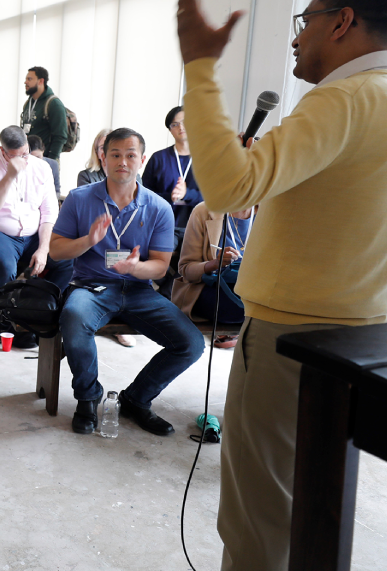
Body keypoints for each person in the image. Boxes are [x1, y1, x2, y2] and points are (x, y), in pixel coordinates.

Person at [129, 0, 387, 571]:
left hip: (287, 337)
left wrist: (199, 67)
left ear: (342, 21)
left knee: (256, 519)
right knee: (305, 513)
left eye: (305, 21)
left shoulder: (341, 102)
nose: (297, 39)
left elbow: (227, 185)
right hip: (356, 338)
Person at [49, 127, 205, 437]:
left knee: (191, 344)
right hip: (91, 286)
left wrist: (135, 268)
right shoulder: (79, 199)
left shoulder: (159, 207)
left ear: (142, 160)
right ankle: (88, 397)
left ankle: (136, 399)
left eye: (130, 155)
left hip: (138, 289)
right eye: (116, 155)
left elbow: (160, 267)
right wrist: (88, 240)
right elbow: (56, 250)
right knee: (73, 318)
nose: (123, 161)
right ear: (103, 158)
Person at [0, 126, 71, 345]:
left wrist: (43, 248)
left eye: (25, 153)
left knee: (66, 260)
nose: (23, 159)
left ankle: (38, 310)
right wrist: (9, 176)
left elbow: (50, 212)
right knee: (5, 265)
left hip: (32, 235)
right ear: (3, 151)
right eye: (15, 156)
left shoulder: (43, 168)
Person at [172, 201, 255, 346]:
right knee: (254, 309)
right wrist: (215, 264)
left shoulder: (269, 213)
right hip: (209, 289)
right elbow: (186, 269)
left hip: (253, 291)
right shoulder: (203, 211)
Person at [142, 106, 202, 249]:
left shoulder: (206, 160)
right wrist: (171, 197)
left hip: (198, 227)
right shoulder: (158, 158)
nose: (181, 127)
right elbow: (144, 196)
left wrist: (187, 194)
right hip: (165, 226)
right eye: (175, 124)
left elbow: (215, 199)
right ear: (170, 130)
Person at [20, 66, 68, 160]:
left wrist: (51, 160)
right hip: (28, 158)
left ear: (41, 81)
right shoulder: (28, 103)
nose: (26, 82)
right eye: (26, 79)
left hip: (45, 159)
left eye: (29, 79)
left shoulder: (54, 104)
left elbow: (60, 136)